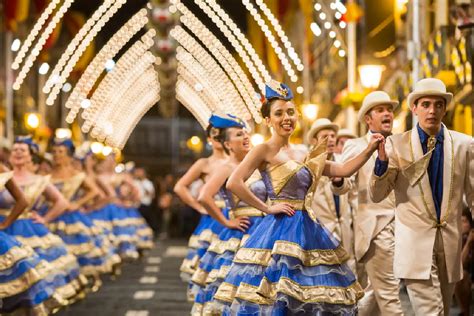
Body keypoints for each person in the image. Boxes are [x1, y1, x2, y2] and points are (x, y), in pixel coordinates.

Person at [222, 80, 384, 314]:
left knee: (307, 296)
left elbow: (343, 170)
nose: (286, 117)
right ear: (268, 120)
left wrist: (369, 149)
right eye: (279, 113)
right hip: (278, 231)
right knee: (278, 296)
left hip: (308, 230)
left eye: (290, 112)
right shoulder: (263, 150)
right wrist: (267, 208)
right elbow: (234, 182)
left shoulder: (304, 152)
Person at [370, 78, 474, 315]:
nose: (432, 110)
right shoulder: (396, 144)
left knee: (443, 311)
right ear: (414, 108)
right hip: (414, 247)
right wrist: (381, 165)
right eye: (425, 104)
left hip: (450, 246)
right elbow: (377, 194)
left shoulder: (464, 145)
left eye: (438, 104)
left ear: (445, 108)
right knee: (432, 313)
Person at [332, 91, 404, 315]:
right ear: (367, 119)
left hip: (405, 228)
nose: (387, 114)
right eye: (380, 110)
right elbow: (344, 184)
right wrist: (338, 180)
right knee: (390, 295)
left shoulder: (402, 143)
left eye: (389, 110)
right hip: (375, 229)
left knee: (376, 295)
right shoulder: (356, 145)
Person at [189, 114, 262, 314]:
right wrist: (227, 222)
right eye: (239, 134)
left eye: (246, 133)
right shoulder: (226, 167)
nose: (246, 137)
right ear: (228, 144)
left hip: (262, 230)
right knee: (234, 286)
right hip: (242, 229)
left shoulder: (255, 163)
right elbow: (204, 196)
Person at [0, 136, 86, 304]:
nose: (17, 153)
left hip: (25, 227)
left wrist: (45, 218)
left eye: (22, 150)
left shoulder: (38, 180)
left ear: (30, 155)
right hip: (4, 228)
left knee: (30, 273)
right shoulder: (4, 173)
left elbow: (61, 201)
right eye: (15, 149)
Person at [174, 119, 227, 283]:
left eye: (221, 134)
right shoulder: (204, 163)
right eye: (214, 135)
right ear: (209, 139)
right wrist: (199, 207)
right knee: (210, 263)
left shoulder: (239, 160)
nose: (218, 138)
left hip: (237, 214)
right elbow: (180, 187)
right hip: (213, 216)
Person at [307, 119, 356, 271]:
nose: (330, 140)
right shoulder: (307, 164)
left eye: (333, 136)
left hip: (344, 228)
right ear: (315, 140)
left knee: (349, 273)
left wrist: (338, 181)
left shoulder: (343, 162)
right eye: (324, 136)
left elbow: (348, 187)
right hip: (319, 231)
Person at [455, 208, 473, 316]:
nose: (461, 225)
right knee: (461, 276)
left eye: (464, 221)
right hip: (468, 274)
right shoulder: (462, 239)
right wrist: (468, 243)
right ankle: (464, 312)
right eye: (459, 221)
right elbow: (459, 264)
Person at [134, 167, 157, 235]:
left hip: (145, 205)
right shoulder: (135, 182)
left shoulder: (148, 183)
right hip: (136, 205)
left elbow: (152, 195)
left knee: (146, 222)